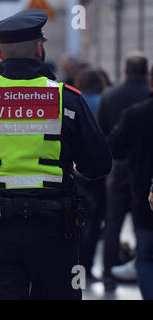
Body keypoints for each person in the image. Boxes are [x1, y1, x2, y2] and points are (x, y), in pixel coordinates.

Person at [0, 8, 112, 300]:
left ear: (0, 54)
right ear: (39, 49)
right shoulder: (66, 99)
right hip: (55, 232)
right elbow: (99, 164)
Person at [97, 52, 150, 291]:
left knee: (113, 223)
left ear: (126, 70)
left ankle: (109, 273)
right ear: (145, 73)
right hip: (145, 176)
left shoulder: (110, 96)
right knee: (145, 229)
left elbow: (105, 140)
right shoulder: (143, 99)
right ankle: (141, 262)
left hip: (121, 172)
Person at [107, 64, 153, 299]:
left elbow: (115, 148)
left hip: (142, 194)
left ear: (150, 81)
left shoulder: (135, 113)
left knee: (145, 256)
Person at [73, 69, 108, 281]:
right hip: (97, 171)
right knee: (94, 221)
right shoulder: (103, 100)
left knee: (75, 217)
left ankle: (73, 263)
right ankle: (87, 267)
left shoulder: (75, 100)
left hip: (76, 171)